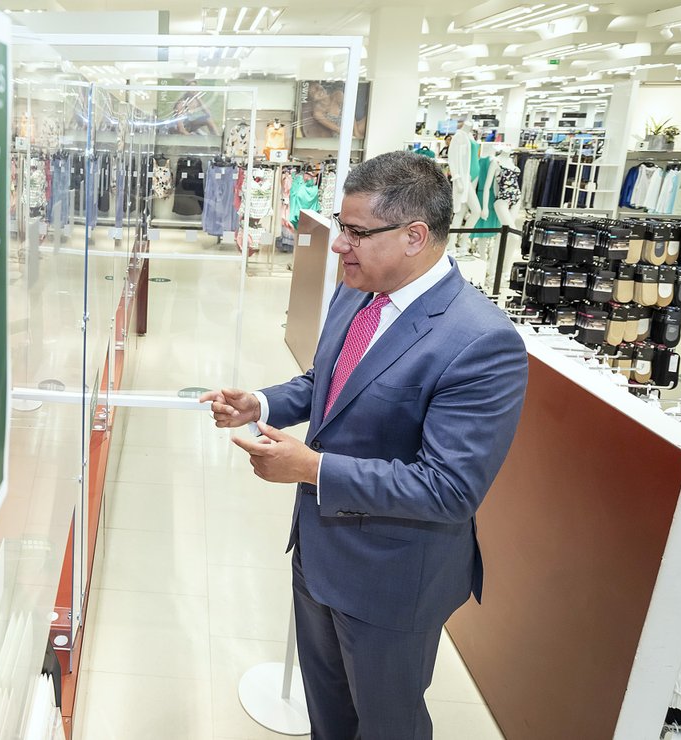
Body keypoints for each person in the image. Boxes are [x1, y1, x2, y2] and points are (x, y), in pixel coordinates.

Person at [200, 151, 528, 739]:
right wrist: (262, 402)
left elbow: (450, 488)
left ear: (414, 236)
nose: (337, 244)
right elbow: (327, 384)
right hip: (318, 555)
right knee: (327, 711)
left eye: (354, 232)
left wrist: (313, 469)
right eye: (340, 225)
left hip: (392, 581)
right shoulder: (356, 293)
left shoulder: (480, 342)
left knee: (386, 722)